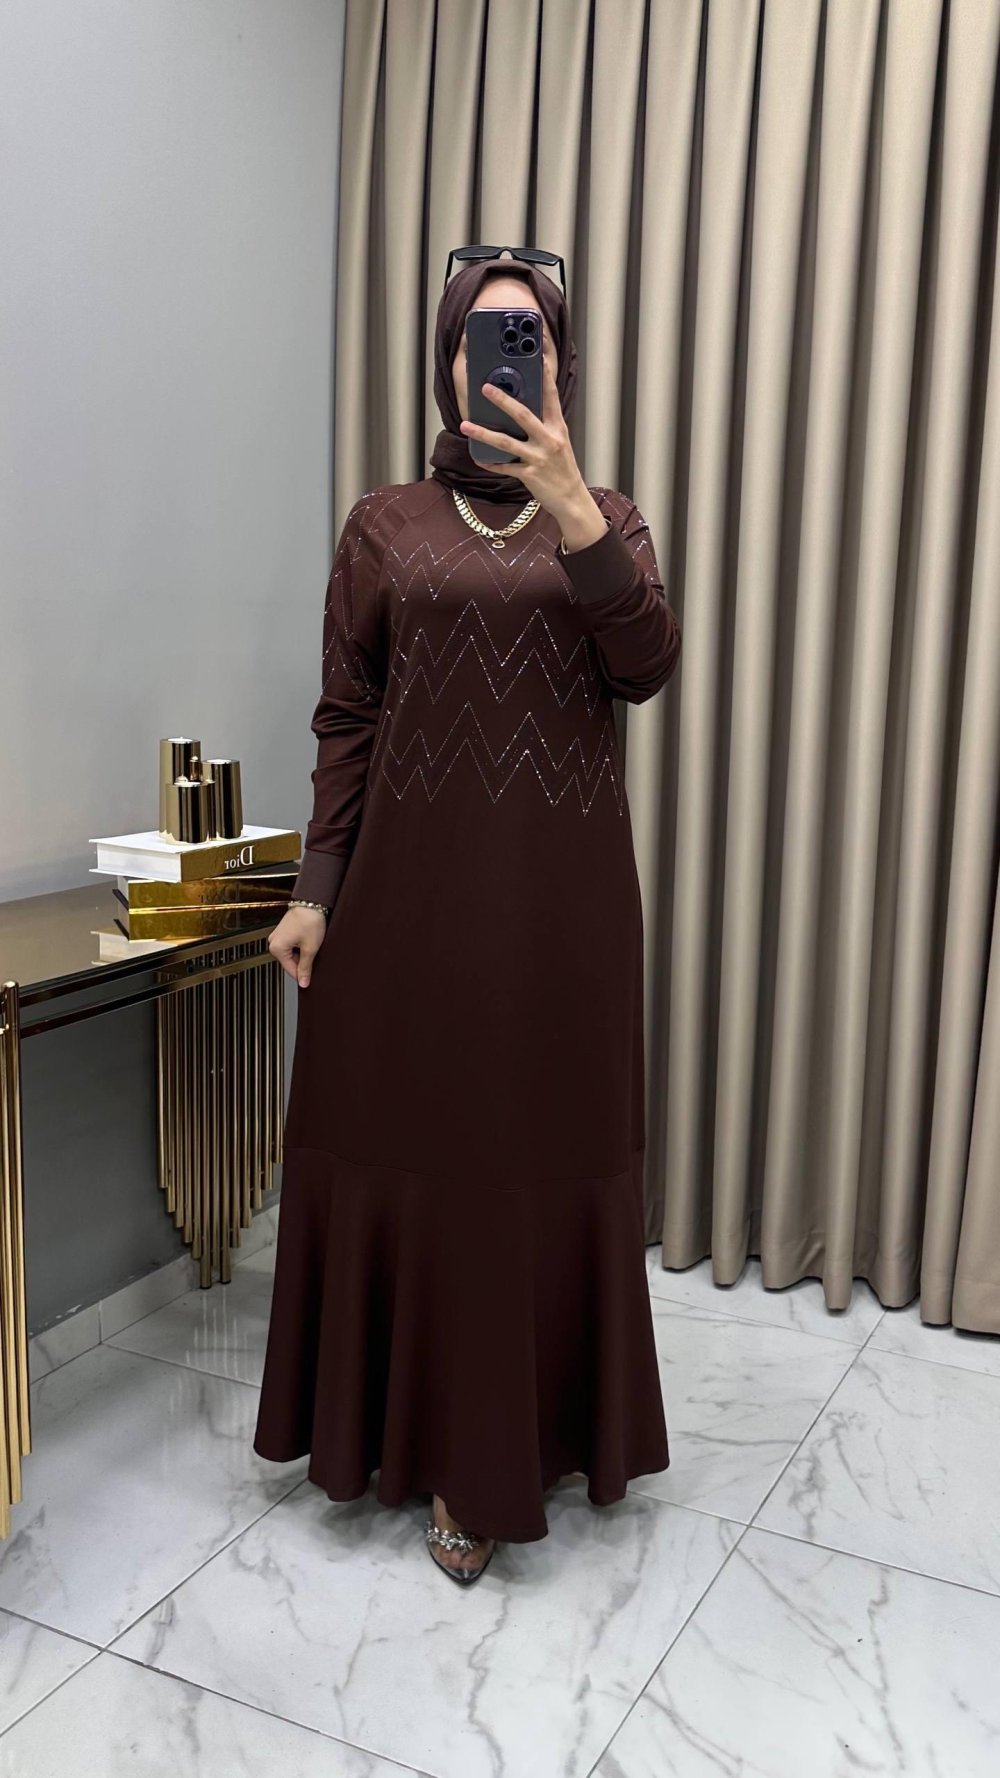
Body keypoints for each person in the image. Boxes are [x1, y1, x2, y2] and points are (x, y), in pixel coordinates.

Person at [254, 251, 681, 1586]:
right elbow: (348, 714)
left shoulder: (608, 516)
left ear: (560, 362)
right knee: (415, 1147)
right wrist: (315, 889)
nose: (502, 355)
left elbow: (647, 666)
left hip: (562, 912)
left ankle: (501, 1453)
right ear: (445, 363)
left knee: (526, 1160)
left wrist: (573, 511)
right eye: (480, 335)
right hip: (403, 907)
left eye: (527, 334)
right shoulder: (383, 523)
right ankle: (395, 1429)